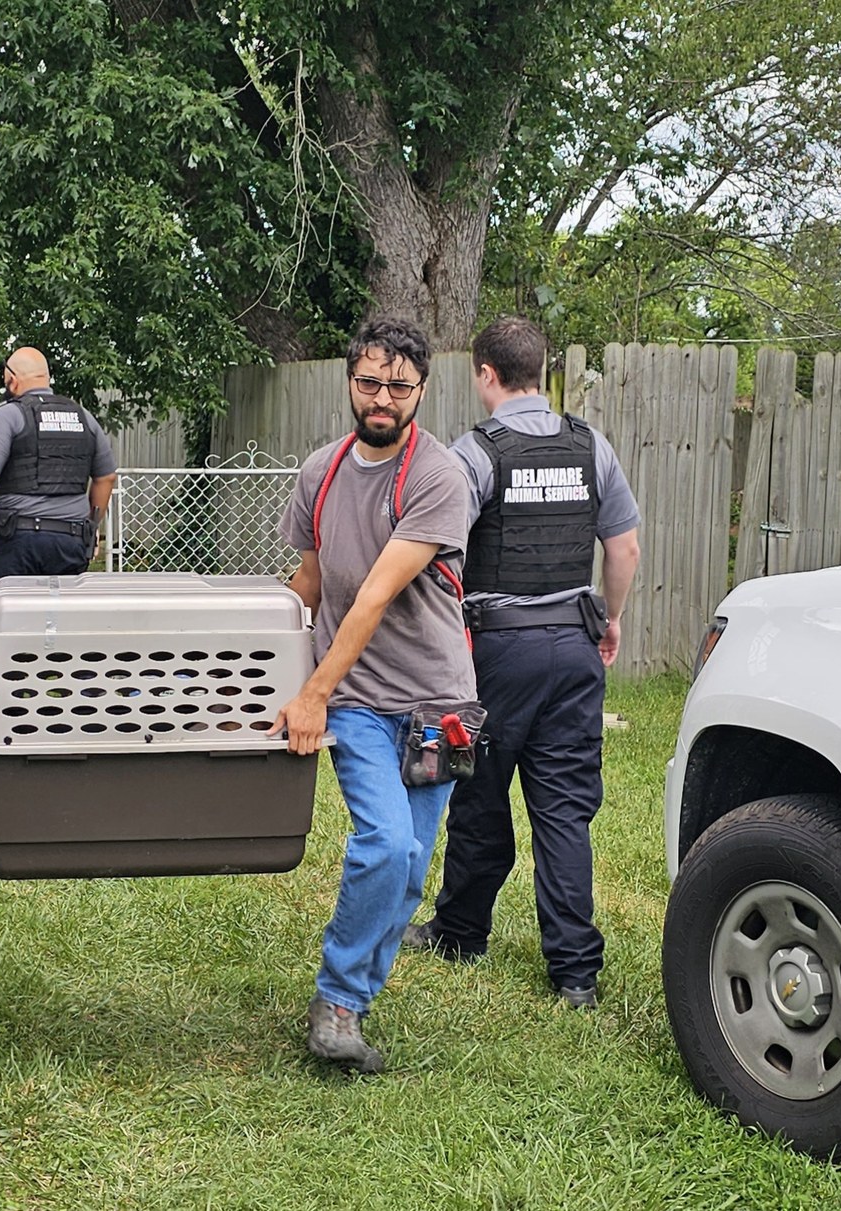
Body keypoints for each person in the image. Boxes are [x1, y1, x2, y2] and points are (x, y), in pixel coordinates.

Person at [403, 316, 641, 1009]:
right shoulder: (591, 445)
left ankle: (460, 931)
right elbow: (622, 548)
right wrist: (612, 616)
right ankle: (574, 975)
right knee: (564, 808)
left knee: (477, 793)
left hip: (495, 648)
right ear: (542, 371)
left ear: (486, 373)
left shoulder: (472, 455)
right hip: (573, 644)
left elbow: (435, 549)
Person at [273, 314, 478, 1073]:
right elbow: (311, 584)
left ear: (421, 388)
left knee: (411, 868)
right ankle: (338, 999)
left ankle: (350, 995)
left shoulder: (436, 475)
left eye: (398, 385)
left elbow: (376, 595)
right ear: (350, 380)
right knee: (385, 843)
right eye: (369, 381)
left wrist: (310, 693)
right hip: (357, 697)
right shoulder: (319, 472)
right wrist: (258, 664)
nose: (382, 397)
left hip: (437, 704)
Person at [0, 348, 118, 613]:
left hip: (15, 542)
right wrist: (90, 531)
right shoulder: (84, 418)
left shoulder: (8, 416)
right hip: (70, 542)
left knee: (2, 624)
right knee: (61, 626)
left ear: (12, 379)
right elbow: (106, 478)